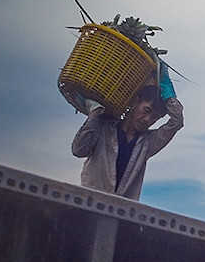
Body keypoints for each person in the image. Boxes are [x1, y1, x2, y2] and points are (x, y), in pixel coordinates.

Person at [72, 70, 183, 200]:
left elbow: (177, 121)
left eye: (155, 117)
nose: (147, 119)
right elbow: (78, 150)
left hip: (120, 214)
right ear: (136, 103)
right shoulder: (104, 128)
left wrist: (168, 94)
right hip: (88, 203)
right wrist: (94, 115)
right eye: (146, 111)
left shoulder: (148, 143)